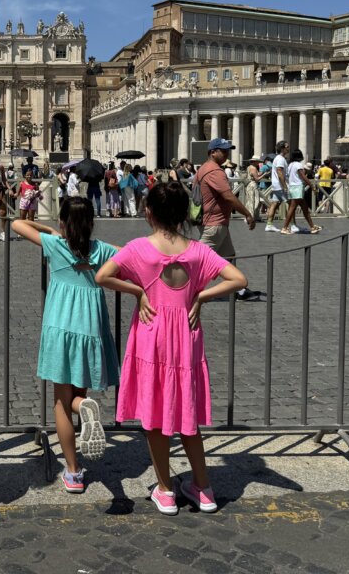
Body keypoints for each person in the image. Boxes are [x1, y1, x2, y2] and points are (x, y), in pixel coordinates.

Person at [95, 181, 247, 515]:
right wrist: (200, 295)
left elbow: (103, 276)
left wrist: (137, 291)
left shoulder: (139, 248)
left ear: (148, 212)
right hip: (186, 336)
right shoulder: (197, 250)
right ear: (182, 215)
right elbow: (238, 279)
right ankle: (203, 488)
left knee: (155, 416)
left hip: (152, 335)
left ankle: (165, 489)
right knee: (187, 416)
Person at [13, 198, 119, 493]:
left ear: (63, 223)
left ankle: (73, 471)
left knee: (61, 400)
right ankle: (83, 404)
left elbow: (17, 223)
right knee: (78, 390)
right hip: (90, 327)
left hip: (61, 326)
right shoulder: (101, 250)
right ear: (91, 223)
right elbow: (132, 256)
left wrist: (48, 228)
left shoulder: (55, 245)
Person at [193, 138, 258, 299]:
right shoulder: (214, 171)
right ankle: (186, 291)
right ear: (212, 152)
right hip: (213, 223)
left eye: (228, 150)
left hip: (216, 222)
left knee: (229, 256)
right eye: (223, 151)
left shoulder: (203, 168)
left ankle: (238, 289)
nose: (226, 154)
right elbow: (228, 196)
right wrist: (247, 213)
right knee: (199, 261)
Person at [264, 140, 290, 233]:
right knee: (292, 204)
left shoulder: (277, 158)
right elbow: (279, 172)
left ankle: (269, 225)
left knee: (274, 204)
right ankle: (290, 226)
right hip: (280, 186)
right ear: (282, 148)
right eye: (287, 147)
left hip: (276, 185)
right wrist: (285, 186)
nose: (288, 148)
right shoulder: (280, 159)